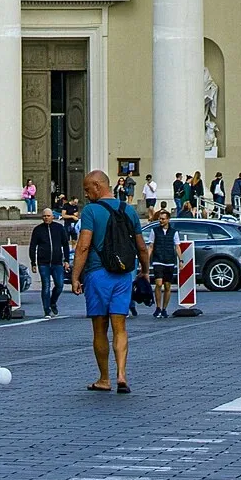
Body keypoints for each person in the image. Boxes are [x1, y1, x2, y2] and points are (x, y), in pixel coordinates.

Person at [70, 168, 150, 393]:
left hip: (98, 273)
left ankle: (104, 379)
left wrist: (75, 277)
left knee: (99, 328)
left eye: (87, 189)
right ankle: (122, 375)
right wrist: (144, 271)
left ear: (98, 186)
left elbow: (84, 246)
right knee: (120, 327)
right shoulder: (129, 210)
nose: (86, 194)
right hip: (124, 275)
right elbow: (141, 247)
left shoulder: (91, 211)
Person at [29, 207, 69, 316]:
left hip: (57, 262)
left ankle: (53, 302)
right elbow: (32, 246)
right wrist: (33, 262)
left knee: (60, 285)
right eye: (44, 216)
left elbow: (65, 244)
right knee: (46, 286)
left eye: (48, 216)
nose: (46, 218)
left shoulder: (59, 228)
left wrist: (66, 260)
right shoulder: (38, 229)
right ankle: (46, 310)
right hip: (43, 263)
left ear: (53, 216)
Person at [149, 207, 178, 318]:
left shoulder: (174, 232)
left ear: (168, 220)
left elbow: (177, 246)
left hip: (170, 261)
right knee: (158, 284)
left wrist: (180, 260)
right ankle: (158, 307)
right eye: (160, 219)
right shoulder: (154, 231)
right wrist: (146, 260)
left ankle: (164, 308)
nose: (161, 221)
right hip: (158, 260)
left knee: (167, 286)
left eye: (163, 219)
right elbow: (151, 246)